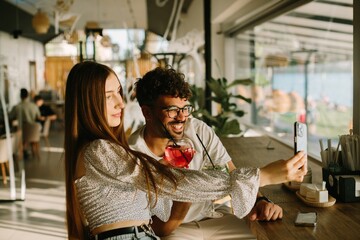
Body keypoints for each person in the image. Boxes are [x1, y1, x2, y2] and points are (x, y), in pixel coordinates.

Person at [64, 61, 307, 240]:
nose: (120, 103)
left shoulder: (107, 150)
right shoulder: (100, 151)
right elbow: (174, 192)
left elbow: (164, 193)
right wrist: (262, 175)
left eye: (118, 92)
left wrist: (171, 178)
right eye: (109, 96)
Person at [128, 67, 286, 239]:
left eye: (185, 108)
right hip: (174, 230)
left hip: (214, 216)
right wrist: (187, 191)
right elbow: (152, 230)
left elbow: (231, 173)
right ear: (147, 112)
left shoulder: (197, 130)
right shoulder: (132, 155)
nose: (182, 117)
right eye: (172, 110)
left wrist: (260, 201)